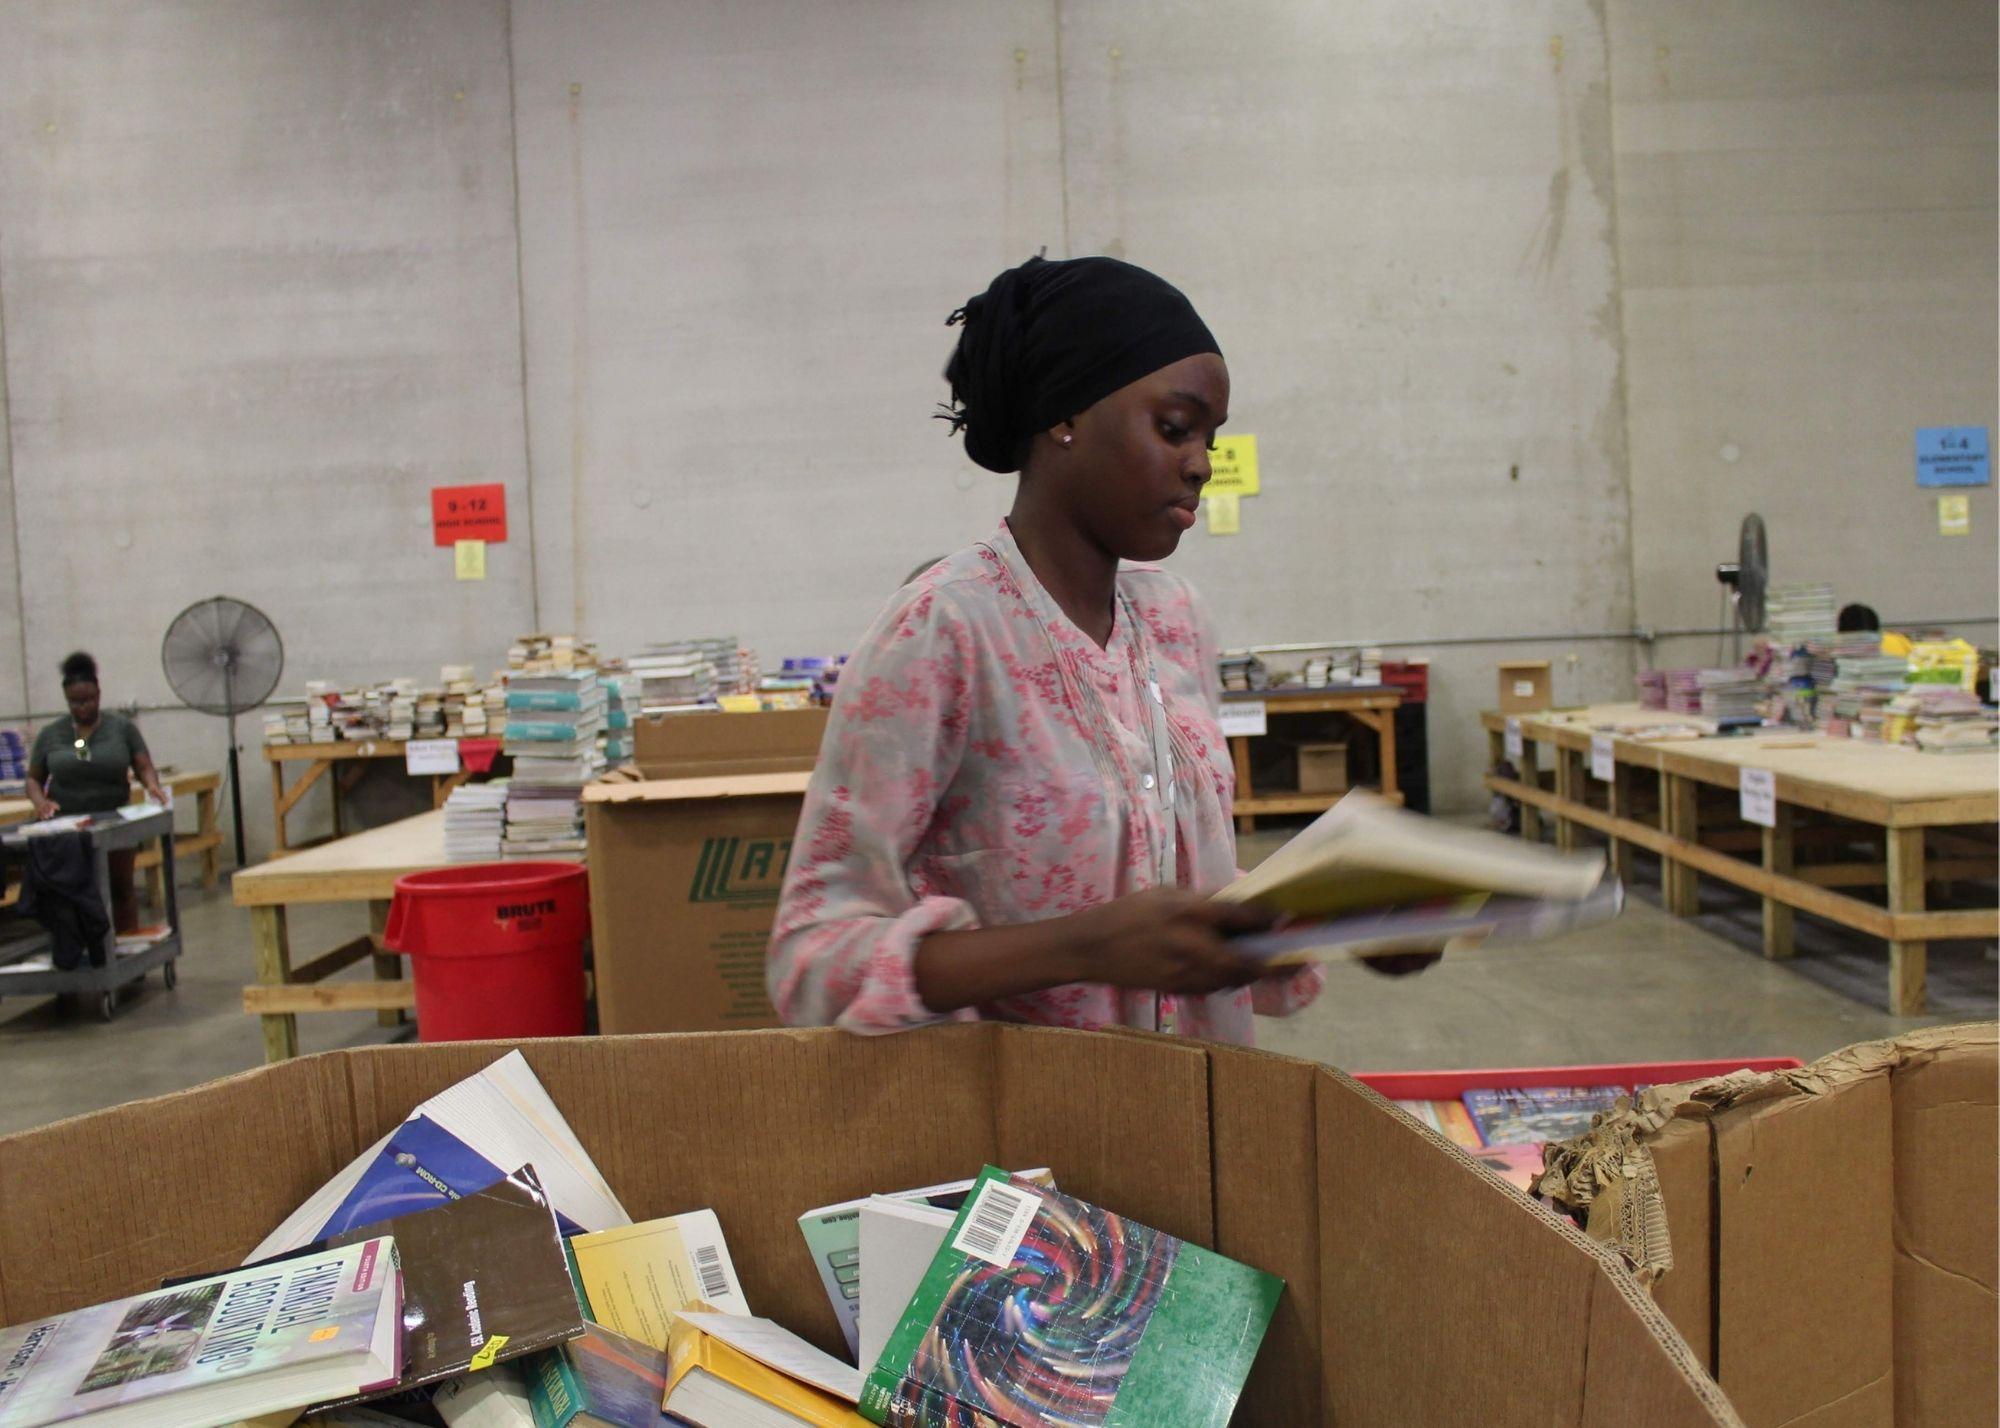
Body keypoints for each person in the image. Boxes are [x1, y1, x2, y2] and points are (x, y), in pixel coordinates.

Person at [767, 255, 1322, 1045]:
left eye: (1210, 438)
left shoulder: (1173, 621)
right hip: (1022, 1141)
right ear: (1064, 415)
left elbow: (1176, 887)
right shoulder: (946, 631)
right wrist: (1082, 948)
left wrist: (1321, 923)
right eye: (1174, 428)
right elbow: (811, 961)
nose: (1201, 463)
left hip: (1197, 1120)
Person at [27, 651, 168, 933]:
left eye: (89, 699)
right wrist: (41, 802)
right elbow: (33, 780)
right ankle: (82, 949)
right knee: (75, 890)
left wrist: (151, 784)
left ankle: (127, 942)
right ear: (66, 699)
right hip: (69, 825)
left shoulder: (121, 728)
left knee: (121, 887)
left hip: (113, 817)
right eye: (75, 702)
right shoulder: (52, 734)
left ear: (99, 694)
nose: (83, 707)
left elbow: (143, 765)